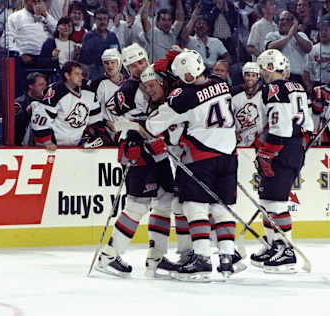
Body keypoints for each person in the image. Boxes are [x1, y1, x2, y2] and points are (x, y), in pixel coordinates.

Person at [144, 49, 238, 281]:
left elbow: (154, 125)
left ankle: (203, 258)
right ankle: (227, 257)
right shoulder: (221, 82)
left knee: (193, 206)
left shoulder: (184, 96)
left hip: (202, 155)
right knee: (221, 206)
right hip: (229, 154)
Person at [95, 43, 177, 277]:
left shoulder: (155, 77)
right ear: (126, 66)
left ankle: (156, 257)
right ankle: (109, 256)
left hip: (157, 151)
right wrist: (130, 142)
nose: (140, 67)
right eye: (134, 64)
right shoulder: (127, 91)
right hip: (137, 150)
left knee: (165, 200)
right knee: (138, 204)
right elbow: (124, 123)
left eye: (142, 62)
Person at [249, 49, 314, 273]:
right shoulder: (297, 86)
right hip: (292, 147)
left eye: (260, 68)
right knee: (267, 200)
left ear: (268, 67)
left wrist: (268, 152)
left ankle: (287, 250)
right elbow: (308, 127)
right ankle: (273, 244)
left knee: (276, 202)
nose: (259, 73)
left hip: (281, 148)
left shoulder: (272, 89)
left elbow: (281, 127)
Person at [29, 61, 105, 150]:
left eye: (81, 74)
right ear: (67, 75)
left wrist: (94, 136)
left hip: (76, 145)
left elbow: (95, 118)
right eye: (77, 74)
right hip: (54, 146)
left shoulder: (89, 92)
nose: (81, 77)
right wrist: (47, 142)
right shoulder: (56, 91)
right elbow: (41, 117)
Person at [265, 10, 312, 85]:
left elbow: (308, 49)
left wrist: (295, 33)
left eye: (288, 19)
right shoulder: (272, 35)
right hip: (279, 77)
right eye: (282, 19)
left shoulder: (301, 35)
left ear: (292, 23)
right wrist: (289, 36)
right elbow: (270, 48)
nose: (284, 22)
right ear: (278, 22)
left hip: (298, 78)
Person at [180, 6, 230, 71]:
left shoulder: (216, 41)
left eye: (204, 24)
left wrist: (219, 66)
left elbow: (227, 56)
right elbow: (184, 35)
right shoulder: (190, 40)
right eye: (199, 23)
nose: (201, 26)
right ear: (194, 28)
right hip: (196, 72)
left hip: (213, 73)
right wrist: (193, 18)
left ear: (207, 28)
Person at [79, 7, 121, 81]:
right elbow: (84, 60)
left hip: (112, 75)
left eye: (105, 19)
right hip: (95, 76)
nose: (102, 22)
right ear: (95, 21)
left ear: (108, 21)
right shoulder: (88, 36)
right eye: (99, 19)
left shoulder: (112, 36)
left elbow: (118, 56)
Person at [232, 62, 264, 147]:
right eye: (248, 75)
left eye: (253, 75)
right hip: (240, 141)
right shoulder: (236, 97)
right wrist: (233, 132)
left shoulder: (264, 95)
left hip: (258, 140)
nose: (250, 78)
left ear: (258, 77)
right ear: (243, 76)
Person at [14, 72, 48, 146]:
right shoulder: (19, 103)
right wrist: (26, 112)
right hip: (22, 147)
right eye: (40, 85)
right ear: (30, 86)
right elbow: (13, 124)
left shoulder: (48, 102)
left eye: (45, 85)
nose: (44, 88)